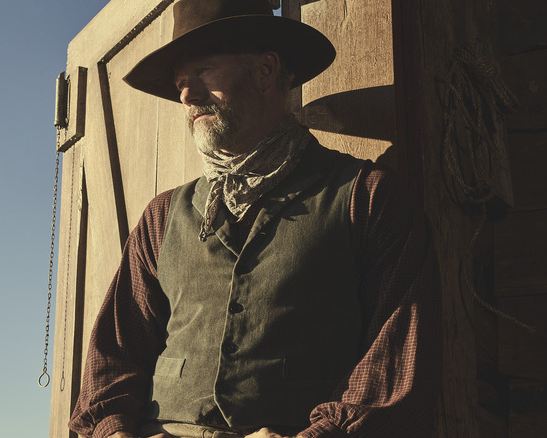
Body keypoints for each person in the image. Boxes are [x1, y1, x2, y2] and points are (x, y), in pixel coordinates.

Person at [68, 1, 441, 437]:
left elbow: (394, 370)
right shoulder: (162, 217)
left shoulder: (367, 196)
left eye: (204, 72)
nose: (186, 96)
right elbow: (112, 359)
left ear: (266, 70)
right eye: (180, 83)